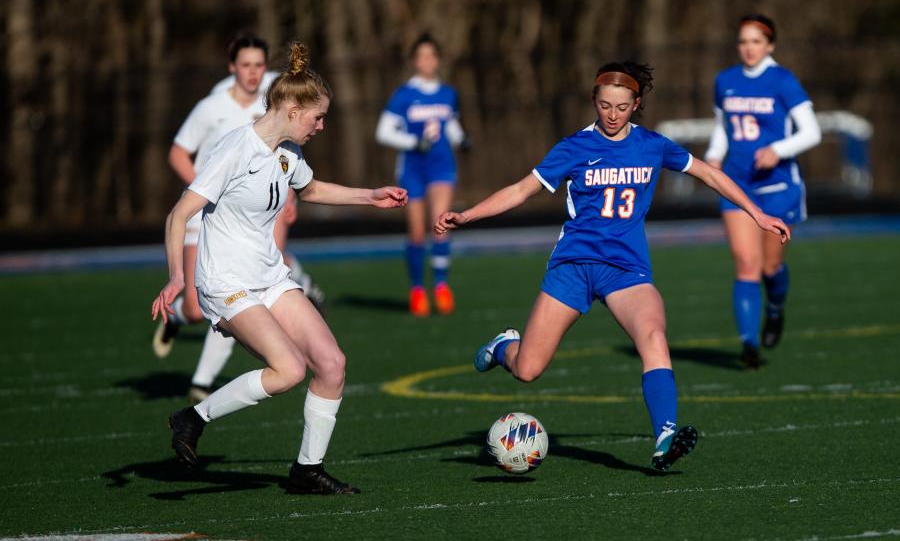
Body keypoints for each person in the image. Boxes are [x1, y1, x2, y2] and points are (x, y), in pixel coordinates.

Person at [435, 62, 790, 471]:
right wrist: (467, 216)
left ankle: (665, 436)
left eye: (622, 107)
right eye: (604, 105)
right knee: (528, 369)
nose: (612, 114)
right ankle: (503, 348)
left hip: (625, 269)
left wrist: (757, 214)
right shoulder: (573, 147)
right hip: (573, 266)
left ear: (636, 104)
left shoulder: (653, 145)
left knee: (653, 334)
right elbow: (520, 190)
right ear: (594, 101)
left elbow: (710, 173)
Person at [151, 42, 407, 494]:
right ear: (292, 108)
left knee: (331, 364)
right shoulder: (234, 149)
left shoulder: (287, 152)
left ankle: (307, 470)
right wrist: (176, 276)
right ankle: (192, 418)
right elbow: (179, 214)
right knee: (287, 370)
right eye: (317, 117)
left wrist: (370, 195)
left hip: (269, 278)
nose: (321, 126)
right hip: (226, 283)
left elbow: (310, 189)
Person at [154, 33, 326, 405]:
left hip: (255, 213)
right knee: (199, 307)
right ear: (232, 67)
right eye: (245, 65)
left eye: (259, 65)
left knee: (253, 286)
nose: (253, 73)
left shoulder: (278, 97)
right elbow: (180, 156)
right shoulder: (212, 106)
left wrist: (284, 193)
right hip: (208, 209)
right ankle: (180, 320)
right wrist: (209, 190)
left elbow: (284, 166)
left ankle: (202, 381)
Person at [704, 14, 821, 368]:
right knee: (746, 265)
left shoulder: (783, 80)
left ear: (769, 45)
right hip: (739, 186)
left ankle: (775, 307)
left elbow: (811, 132)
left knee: (771, 266)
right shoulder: (725, 80)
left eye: (756, 41)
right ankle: (749, 345)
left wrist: (779, 150)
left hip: (778, 187)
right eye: (743, 41)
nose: (749, 48)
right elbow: (723, 127)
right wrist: (713, 155)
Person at [376, 33, 466, 317]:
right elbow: (383, 132)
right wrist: (414, 143)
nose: (427, 61)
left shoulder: (448, 93)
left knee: (440, 225)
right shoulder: (403, 95)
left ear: (437, 60)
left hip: (441, 166)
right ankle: (417, 289)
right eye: (421, 56)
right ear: (415, 61)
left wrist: (462, 139)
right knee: (417, 233)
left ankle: (441, 286)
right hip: (413, 168)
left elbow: (450, 125)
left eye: (431, 55)